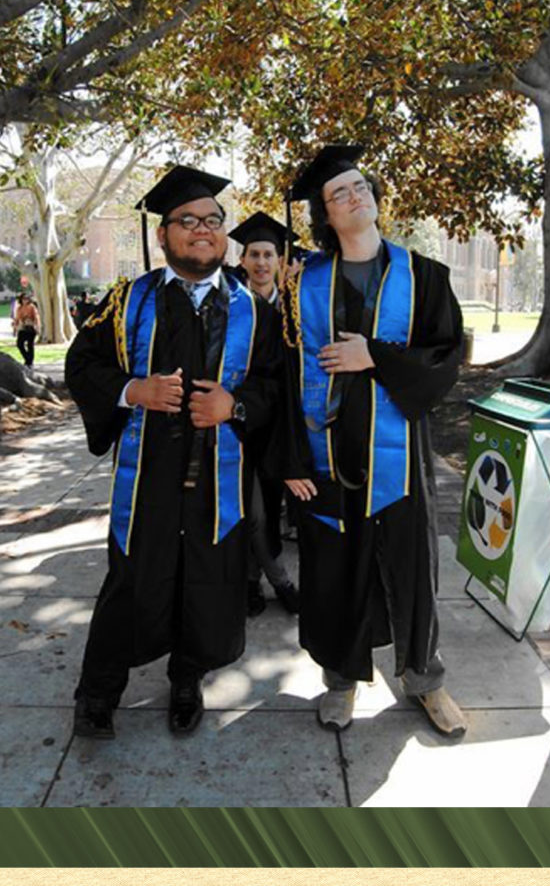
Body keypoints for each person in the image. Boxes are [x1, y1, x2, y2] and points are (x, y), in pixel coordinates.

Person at [65, 165, 281, 739]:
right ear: (164, 235)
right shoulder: (128, 301)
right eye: (188, 220)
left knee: (207, 582)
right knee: (132, 578)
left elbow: (273, 385)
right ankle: (97, 692)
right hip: (150, 469)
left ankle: (187, 679)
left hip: (218, 474)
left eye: (213, 220)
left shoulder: (255, 312)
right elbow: (82, 365)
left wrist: (232, 406)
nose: (203, 230)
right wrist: (134, 390)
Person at [281, 145, 466, 739]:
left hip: (400, 460)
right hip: (325, 455)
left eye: (360, 186)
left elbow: (446, 358)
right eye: (339, 193)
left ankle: (425, 680)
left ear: (375, 198)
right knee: (334, 571)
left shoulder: (424, 276)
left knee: (412, 570)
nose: (354, 196)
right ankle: (340, 683)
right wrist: (287, 456)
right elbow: (278, 372)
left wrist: (374, 357)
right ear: (326, 216)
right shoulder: (300, 286)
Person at [229, 213, 300, 618]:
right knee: (253, 512)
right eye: (253, 254)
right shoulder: (232, 308)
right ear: (243, 260)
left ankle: (251, 582)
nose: (260, 262)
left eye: (267, 254)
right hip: (243, 426)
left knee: (271, 510)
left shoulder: (295, 310)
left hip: (284, 427)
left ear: (279, 261)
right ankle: (279, 582)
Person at [13, 293, 40, 368]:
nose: (25, 300)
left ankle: (29, 362)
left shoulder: (32, 307)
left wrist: (37, 327)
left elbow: (36, 317)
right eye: (24, 299)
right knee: (19, 344)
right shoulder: (19, 308)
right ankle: (27, 359)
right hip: (23, 328)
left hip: (31, 328)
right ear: (21, 300)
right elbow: (17, 319)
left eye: (27, 299)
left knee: (30, 345)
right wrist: (15, 328)